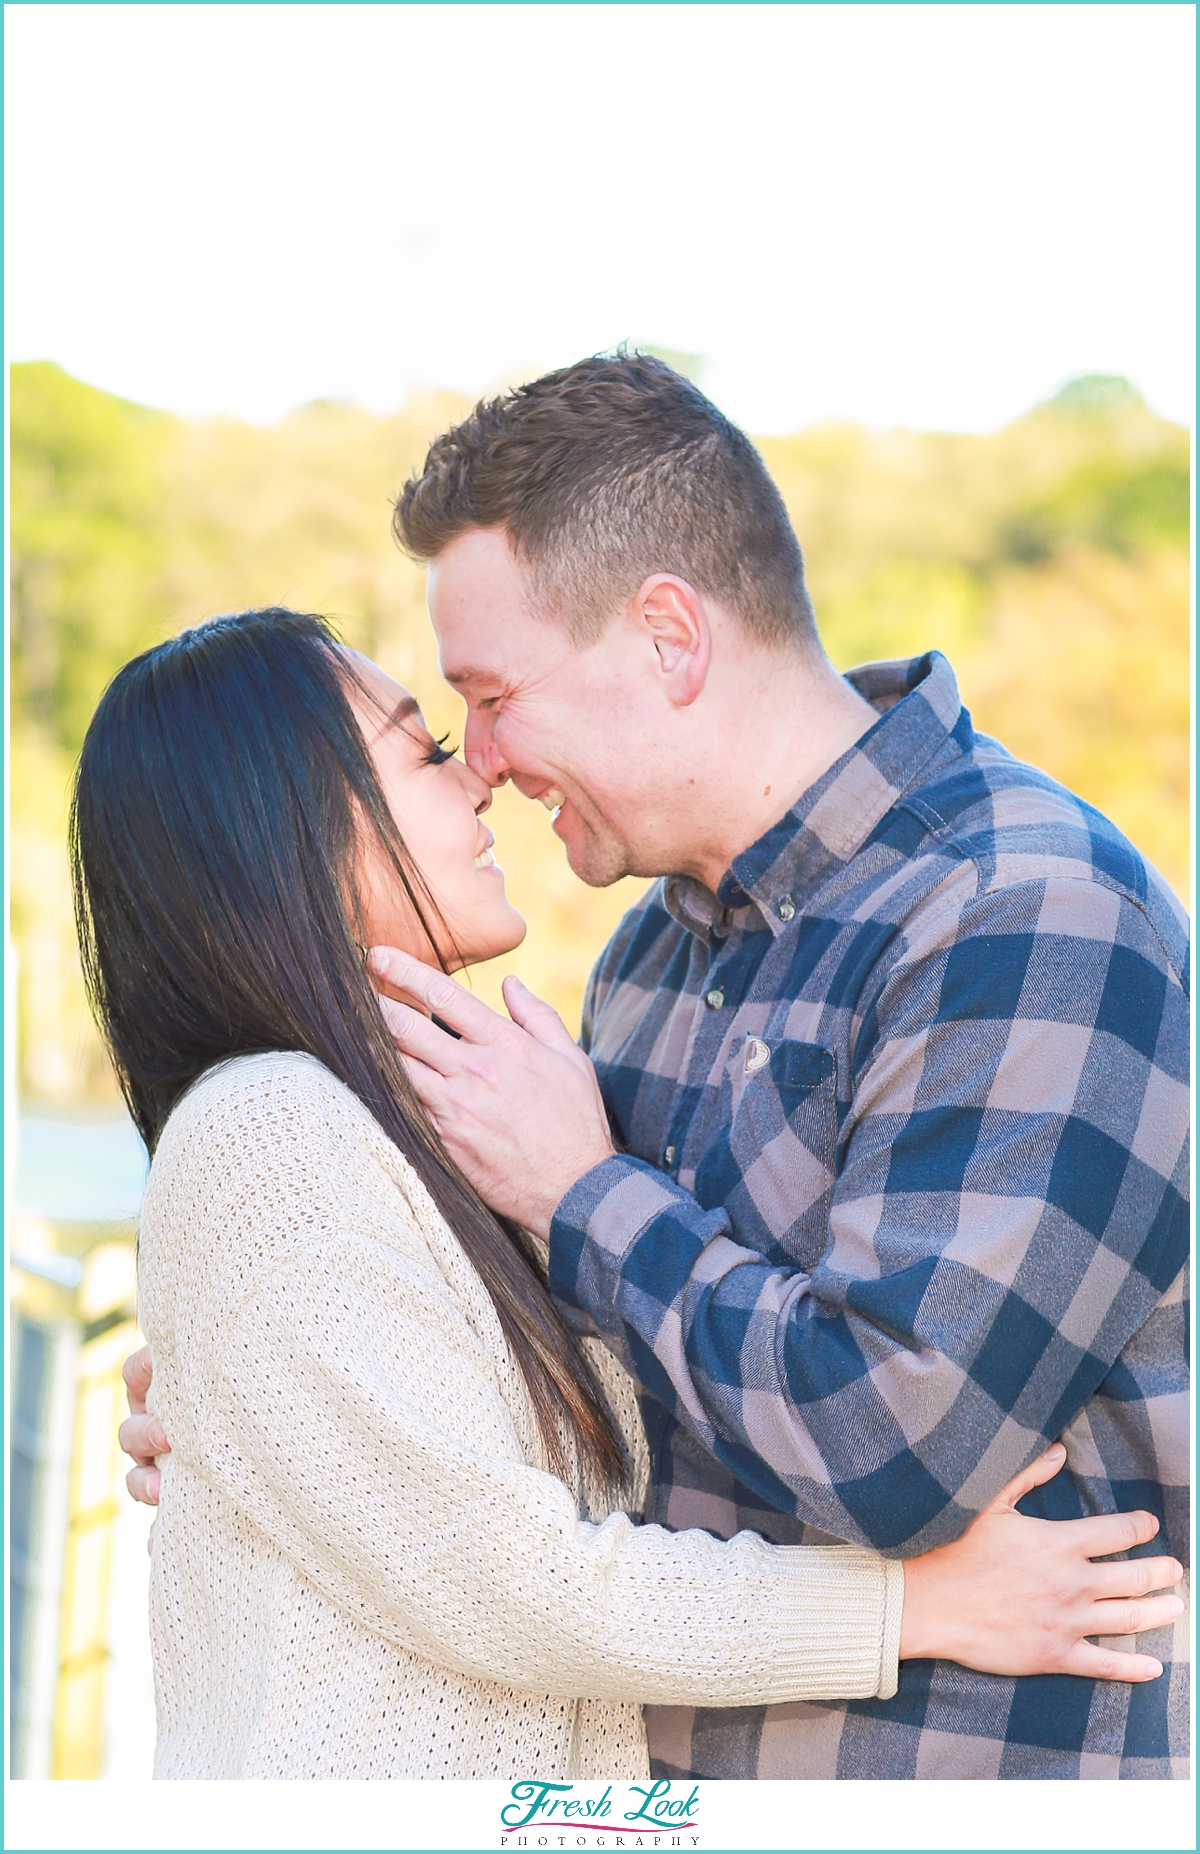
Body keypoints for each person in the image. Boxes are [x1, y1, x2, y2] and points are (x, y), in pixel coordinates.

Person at [83, 609, 1179, 1781]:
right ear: (283, 832)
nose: (481, 781)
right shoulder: (270, 1130)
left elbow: (495, 1469)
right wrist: (906, 1606)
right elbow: (504, 1575)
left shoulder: (423, 1129)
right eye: (429, 751)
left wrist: (234, 1408)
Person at [362, 352, 1190, 1780]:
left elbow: (901, 1443)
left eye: (491, 696)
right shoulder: (650, 955)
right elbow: (596, 1402)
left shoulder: (1029, 908)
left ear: (669, 639)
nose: (480, 758)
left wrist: (586, 1191)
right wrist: (287, 1393)